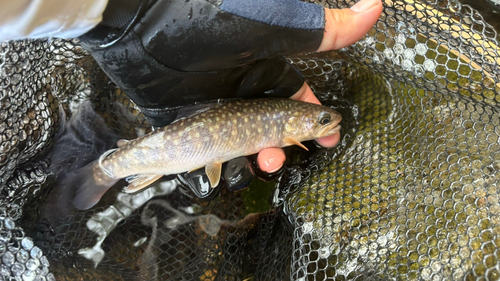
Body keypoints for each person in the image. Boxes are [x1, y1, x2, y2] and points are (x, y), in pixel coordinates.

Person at [0, 0, 382, 185]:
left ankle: (108, 171)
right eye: (320, 120)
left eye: (321, 120)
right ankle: (105, 171)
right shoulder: (285, 126)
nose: (327, 119)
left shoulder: (287, 124)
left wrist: (121, 16)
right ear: (293, 125)